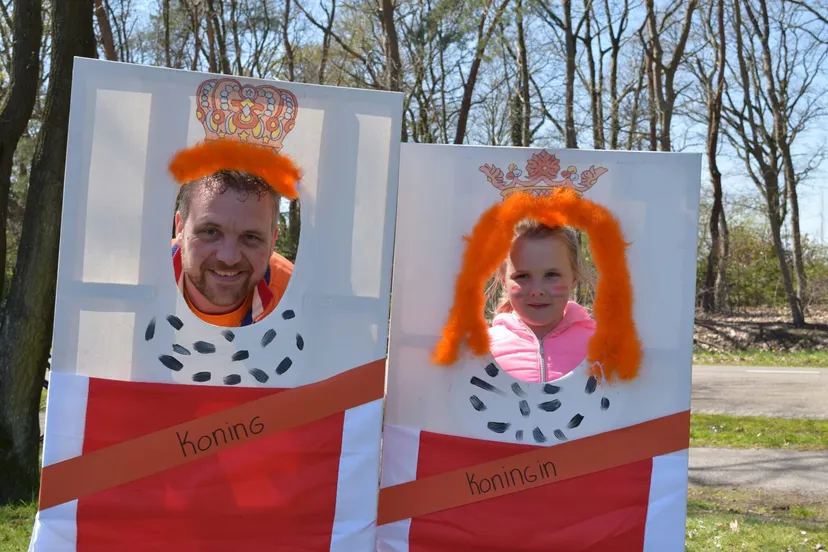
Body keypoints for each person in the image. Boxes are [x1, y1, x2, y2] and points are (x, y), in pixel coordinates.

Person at [172, 169, 294, 327]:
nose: (229, 258)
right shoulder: (140, 276)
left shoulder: (293, 297)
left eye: (250, 237)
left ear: (272, 240)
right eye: (210, 232)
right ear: (180, 228)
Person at [487, 219, 596, 383]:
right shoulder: (483, 349)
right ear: (503, 280)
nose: (537, 291)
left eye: (551, 275)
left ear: (574, 277)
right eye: (522, 276)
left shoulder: (599, 346)